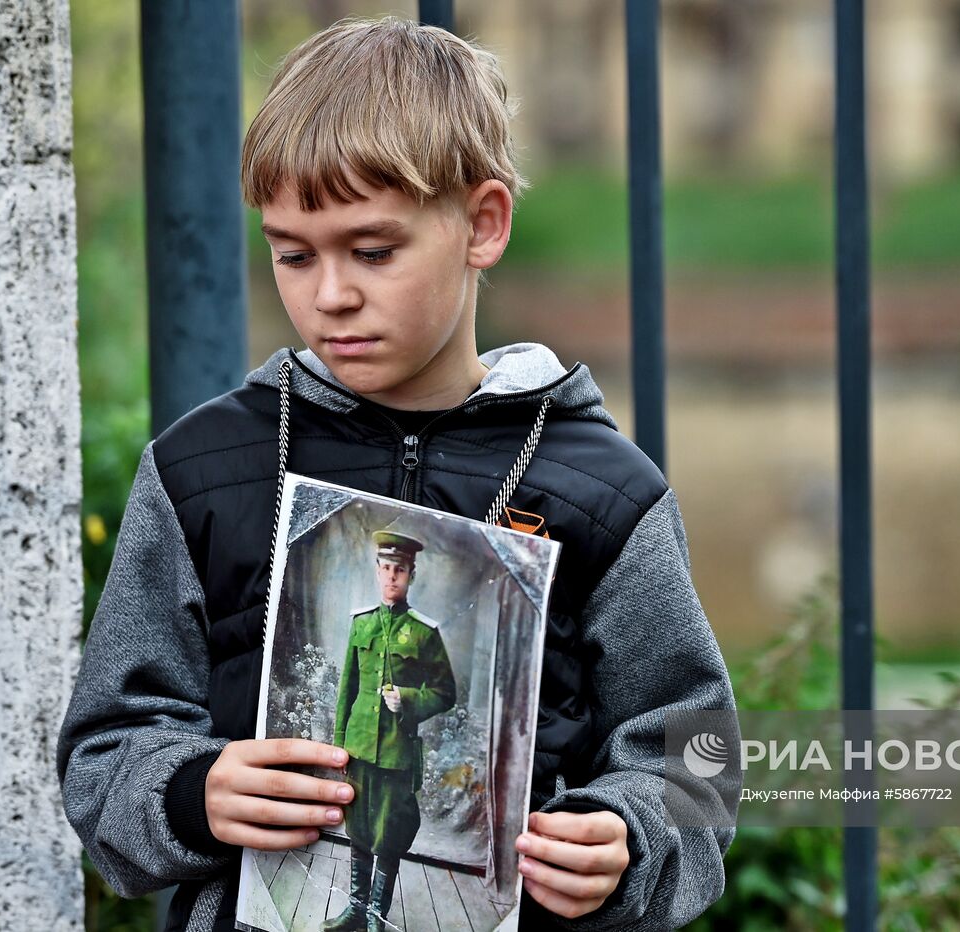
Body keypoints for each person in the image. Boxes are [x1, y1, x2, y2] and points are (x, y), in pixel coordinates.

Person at [56, 15, 740, 932]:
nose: (329, 294)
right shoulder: (199, 473)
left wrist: (626, 840)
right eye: (293, 254)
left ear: (482, 224)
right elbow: (105, 752)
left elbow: (701, 760)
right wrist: (192, 795)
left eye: (372, 252)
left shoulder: (605, 492)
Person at [323, 531, 457, 931]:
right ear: (377, 571)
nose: (391, 577)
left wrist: (410, 700)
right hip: (360, 747)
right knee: (360, 829)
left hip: (398, 752)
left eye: (400, 570)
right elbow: (346, 690)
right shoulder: (361, 623)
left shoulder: (423, 633)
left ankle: (377, 918)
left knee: (390, 833)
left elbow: (445, 692)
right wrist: (339, 748)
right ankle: (355, 912)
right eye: (385, 568)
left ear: (411, 575)